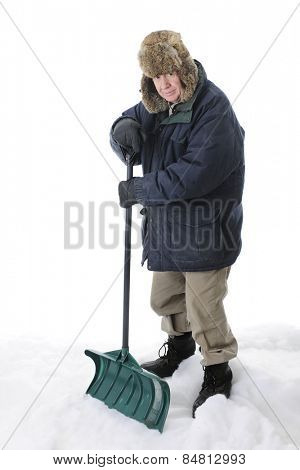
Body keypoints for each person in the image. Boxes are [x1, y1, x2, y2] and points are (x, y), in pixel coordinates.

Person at [110, 30, 245, 417]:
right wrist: (121, 131)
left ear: (184, 69)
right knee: (165, 298)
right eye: (155, 77)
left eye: (170, 73)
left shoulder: (213, 108)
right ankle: (180, 346)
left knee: (204, 307)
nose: (164, 84)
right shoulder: (156, 103)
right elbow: (126, 121)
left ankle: (217, 369)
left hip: (206, 226)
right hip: (169, 226)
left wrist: (141, 188)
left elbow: (195, 174)